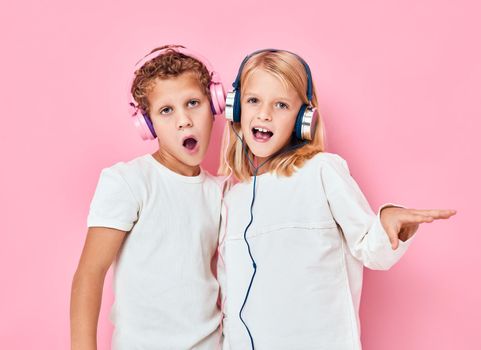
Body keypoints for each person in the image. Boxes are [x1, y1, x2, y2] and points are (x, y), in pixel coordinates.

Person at [217, 49, 456, 349]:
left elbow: (372, 251)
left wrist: (389, 222)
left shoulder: (322, 171)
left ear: (304, 118)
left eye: (280, 104)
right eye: (253, 101)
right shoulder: (231, 197)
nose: (264, 114)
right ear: (235, 108)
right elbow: (229, 295)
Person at [70, 45, 226, 349]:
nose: (184, 120)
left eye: (193, 103)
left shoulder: (221, 193)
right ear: (149, 124)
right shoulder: (129, 182)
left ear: (214, 105)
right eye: (166, 110)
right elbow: (90, 273)